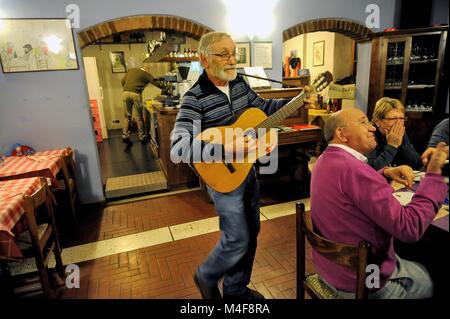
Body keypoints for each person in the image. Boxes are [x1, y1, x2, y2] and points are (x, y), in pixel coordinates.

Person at [170, 31, 310, 299]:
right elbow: (179, 147)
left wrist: (297, 101)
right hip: (223, 180)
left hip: (247, 172)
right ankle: (207, 275)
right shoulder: (194, 98)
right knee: (237, 239)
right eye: (224, 54)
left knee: (252, 232)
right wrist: (227, 148)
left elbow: (263, 108)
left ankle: (235, 290)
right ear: (204, 59)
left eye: (234, 53)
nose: (232, 59)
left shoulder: (239, 84)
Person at [310, 107, 448, 299]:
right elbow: (410, 227)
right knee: (430, 278)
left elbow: (350, 189)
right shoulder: (355, 170)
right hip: (363, 280)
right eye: (363, 122)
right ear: (341, 134)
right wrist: (433, 175)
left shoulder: (325, 160)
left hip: (329, 268)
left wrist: (384, 173)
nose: (372, 128)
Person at [367, 97, 421, 170]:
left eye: (401, 118)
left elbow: (417, 163)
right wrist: (392, 145)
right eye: (393, 119)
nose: (399, 123)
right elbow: (372, 170)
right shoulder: (369, 134)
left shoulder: (399, 132)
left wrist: (401, 143)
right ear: (378, 121)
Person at [121, 66, 162, 144]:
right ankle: (142, 137)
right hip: (136, 94)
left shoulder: (131, 70)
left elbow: (122, 81)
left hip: (125, 93)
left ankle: (125, 136)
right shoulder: (145, 74)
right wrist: (165, 88)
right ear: (147, 70)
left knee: (127, 116)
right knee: (139, 116)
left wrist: (128, 88)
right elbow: (155, 82)